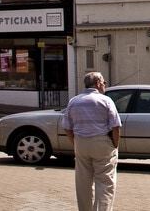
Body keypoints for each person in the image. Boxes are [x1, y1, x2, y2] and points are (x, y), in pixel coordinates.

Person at [62, 72, 122, 211]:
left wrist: (75, 142)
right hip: (102, 142)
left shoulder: (74, 101)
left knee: (83, 181)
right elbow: (115, 126)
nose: (104, 85)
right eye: (104, 83)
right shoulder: (105, 100)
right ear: (98, 83)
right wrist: (115, 144)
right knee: (105, 181)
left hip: (81, 142)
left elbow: (67, 126)